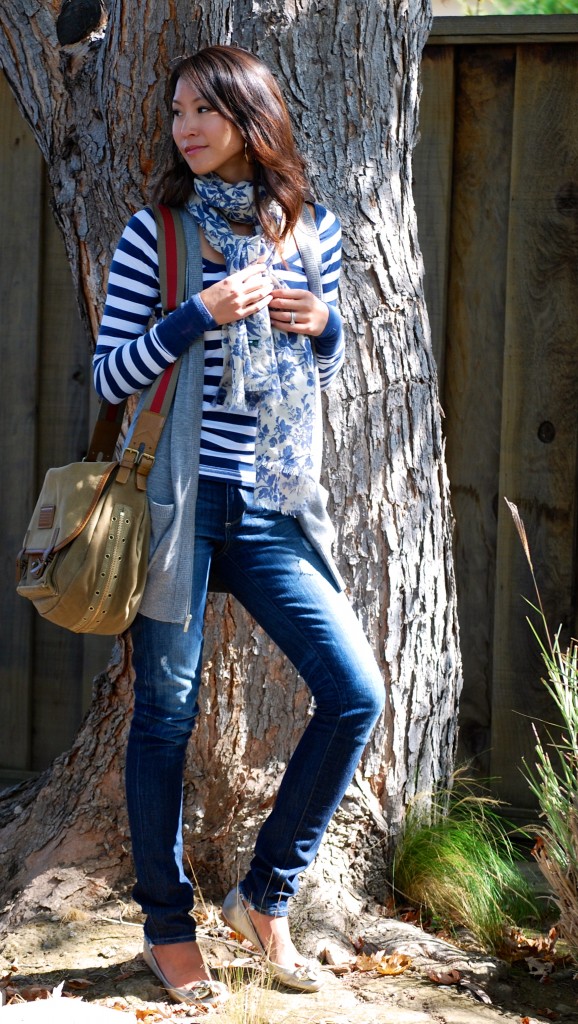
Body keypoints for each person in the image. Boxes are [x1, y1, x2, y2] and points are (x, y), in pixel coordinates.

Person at [93, 44, 385, 1007]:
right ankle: (167, 930)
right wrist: (197, 314)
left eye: (202, 110)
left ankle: (264, 897)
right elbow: (110, 377)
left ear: (250, 118)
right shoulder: (157, 234)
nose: (183, 127)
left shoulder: (313, 233)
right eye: (175, 110)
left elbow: (324, 371)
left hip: (270, 506)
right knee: (164, 719)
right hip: (174, 508)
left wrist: (324, 327)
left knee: (355, 694)